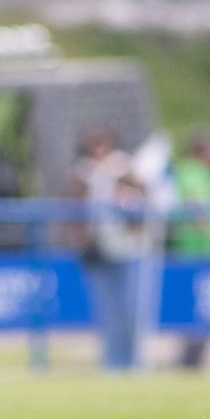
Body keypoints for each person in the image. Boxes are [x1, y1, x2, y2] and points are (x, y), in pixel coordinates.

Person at [68, 128, 155, 372]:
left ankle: (133, 361)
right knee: (107, 311)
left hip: (128, 249)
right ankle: (112, 362)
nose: (99, 151)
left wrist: (123, 184)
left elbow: (144, 195)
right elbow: (71, 208)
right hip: (98, 251)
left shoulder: (123, 168)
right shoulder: (82, 173)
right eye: (94, 145)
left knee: (131, 309)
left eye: (103, 144)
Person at [169, 131, 210, 370]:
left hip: (200, 249)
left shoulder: (189, 172)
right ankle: (191, 359)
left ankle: (192, 357)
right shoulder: (194, 172)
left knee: (195, 309)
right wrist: (205, 224)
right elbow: (195, 200)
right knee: (196, 309)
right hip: (197, 250)